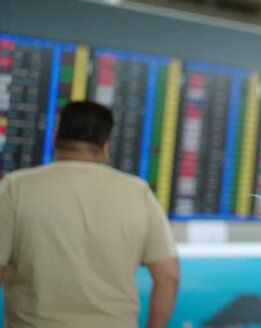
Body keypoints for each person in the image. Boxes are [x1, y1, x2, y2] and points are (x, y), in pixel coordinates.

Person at [0, 101, 179, 327]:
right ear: (105, 146)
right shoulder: (138, 192)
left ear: (56, 140)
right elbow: (168, 275)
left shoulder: (15, 188)